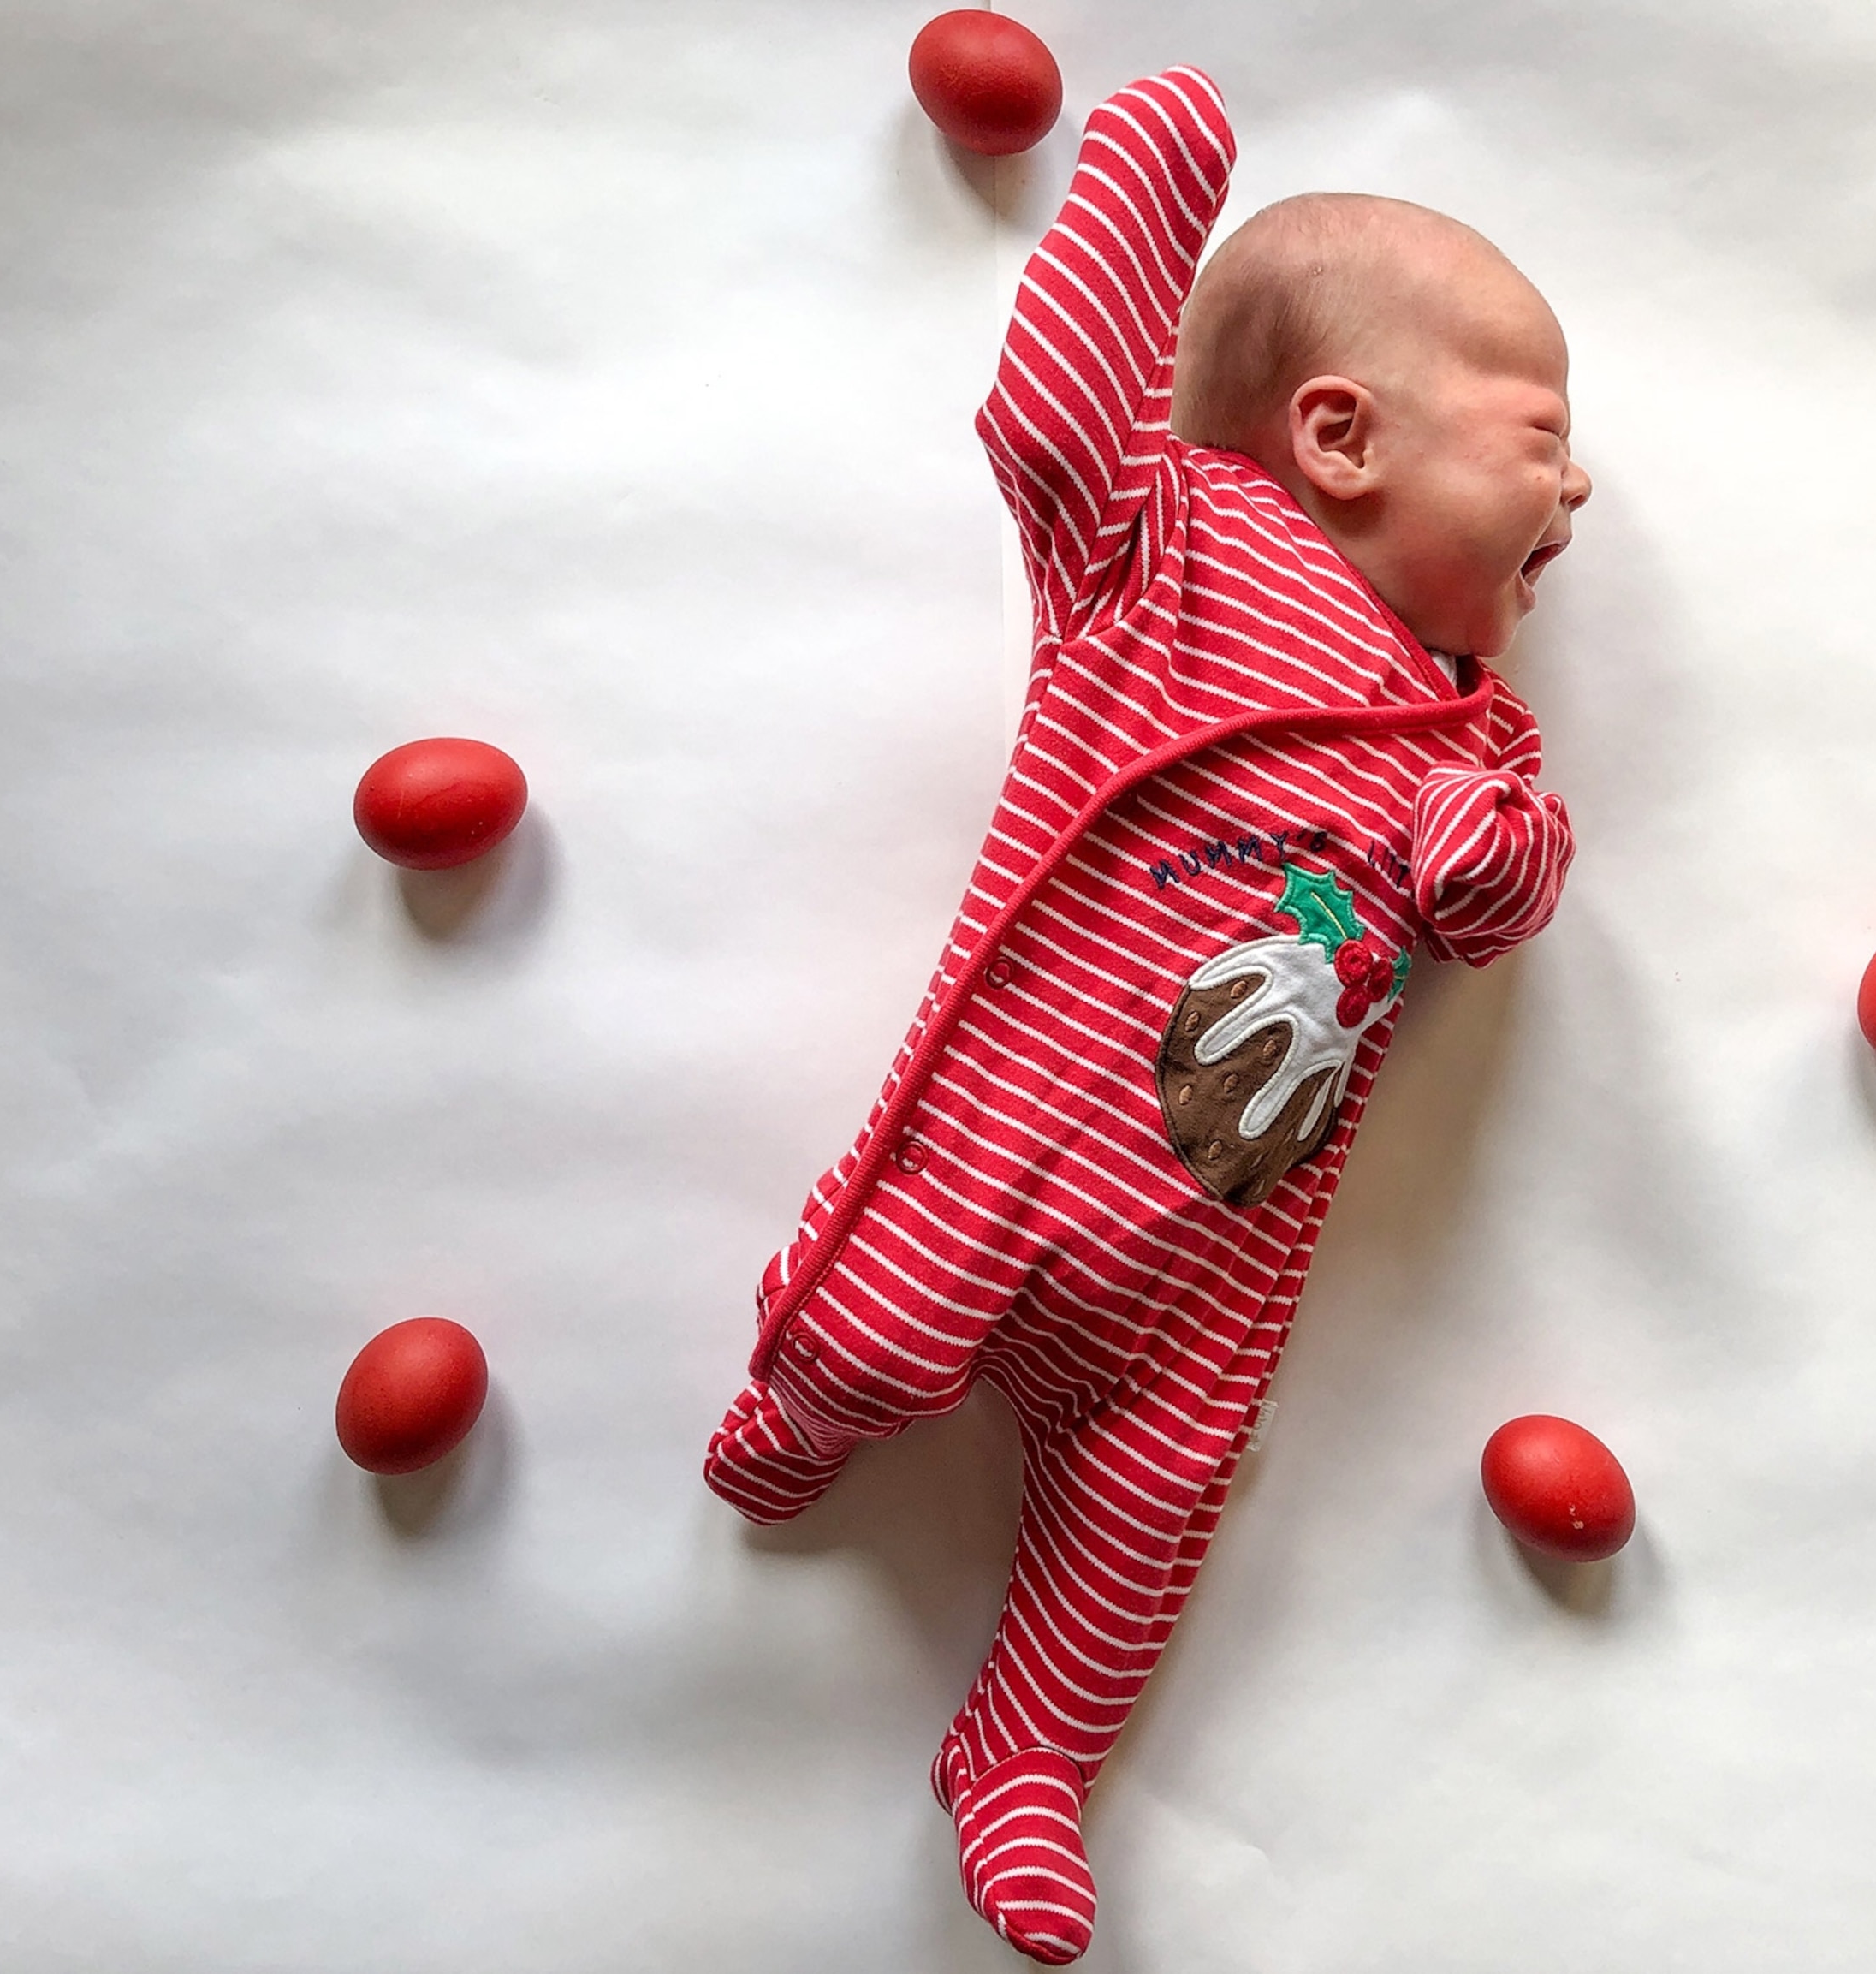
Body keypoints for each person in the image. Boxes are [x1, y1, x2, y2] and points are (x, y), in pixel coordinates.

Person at [705, 64, 1590, 1964]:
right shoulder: (1171, 555)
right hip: (1012, 1133)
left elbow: (1506, 894)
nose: (1577, 487)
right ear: (1339, 434)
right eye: (1542, 436)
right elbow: (1046, 419)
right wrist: (1159, 159)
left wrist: (1486, 857)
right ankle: (802, 1390)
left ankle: (1024, 1756)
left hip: (1211, 1256)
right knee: (869, 1340)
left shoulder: (1473, 730)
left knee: (1148, 1509)